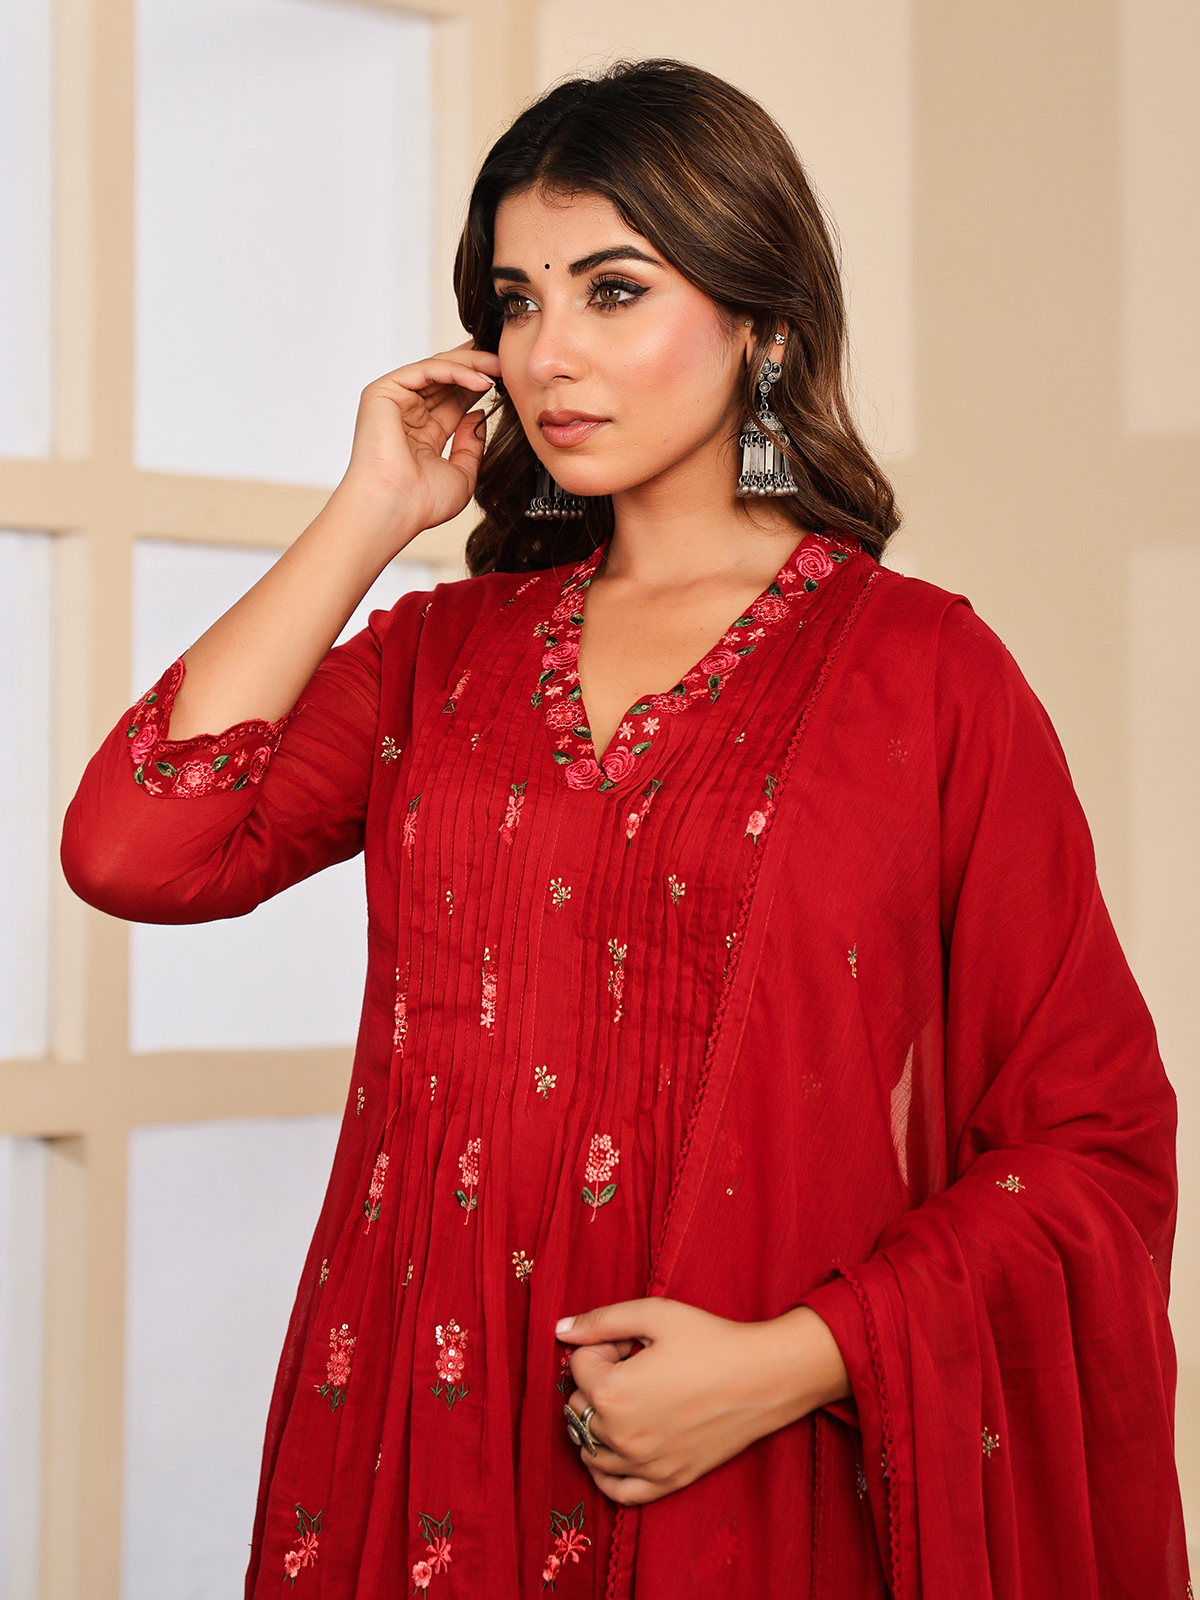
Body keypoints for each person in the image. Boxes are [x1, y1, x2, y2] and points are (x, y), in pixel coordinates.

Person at [62, 58, 1188, 1600]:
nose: (549, 354)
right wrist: (371, 512)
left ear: (762, 325)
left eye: (611, 290)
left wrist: (792, 1361)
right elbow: (135, 851)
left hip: (743, 1461)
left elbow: (1089, 1140)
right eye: (515, 301)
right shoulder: (438, 657)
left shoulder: (924, 677)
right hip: (422, 1443)